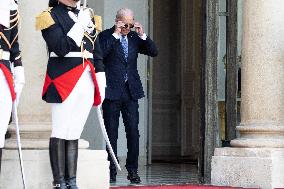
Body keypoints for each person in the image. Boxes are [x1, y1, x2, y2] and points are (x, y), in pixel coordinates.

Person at [36, 0, 105, 188]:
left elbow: (95, 51)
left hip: (87, 78)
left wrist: (101, 77)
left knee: (74, 131)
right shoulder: (50, 16)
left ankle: (71, 181)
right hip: (63, 79)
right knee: (60, 129)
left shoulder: (88, 14)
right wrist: (79, 25)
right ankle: (59, 182)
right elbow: (60, 47)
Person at [99, 7, 158, 184]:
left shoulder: (134, 37)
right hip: (112, 92)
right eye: (125, 24)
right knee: (112, 133)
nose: (127, 28)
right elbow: (100, 54)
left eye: (130, 24)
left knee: (133, 132)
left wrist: (142, 35)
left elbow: (153, 51)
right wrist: (116, 34)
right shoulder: (106, 36)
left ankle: (132, 170)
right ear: (117, 21)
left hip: (131, 92)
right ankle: (111, 171)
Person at [0, 0, 25, 173]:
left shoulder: (11, 7)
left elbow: (14, 43)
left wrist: (18, 69)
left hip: (4, 70)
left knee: (0, 131)